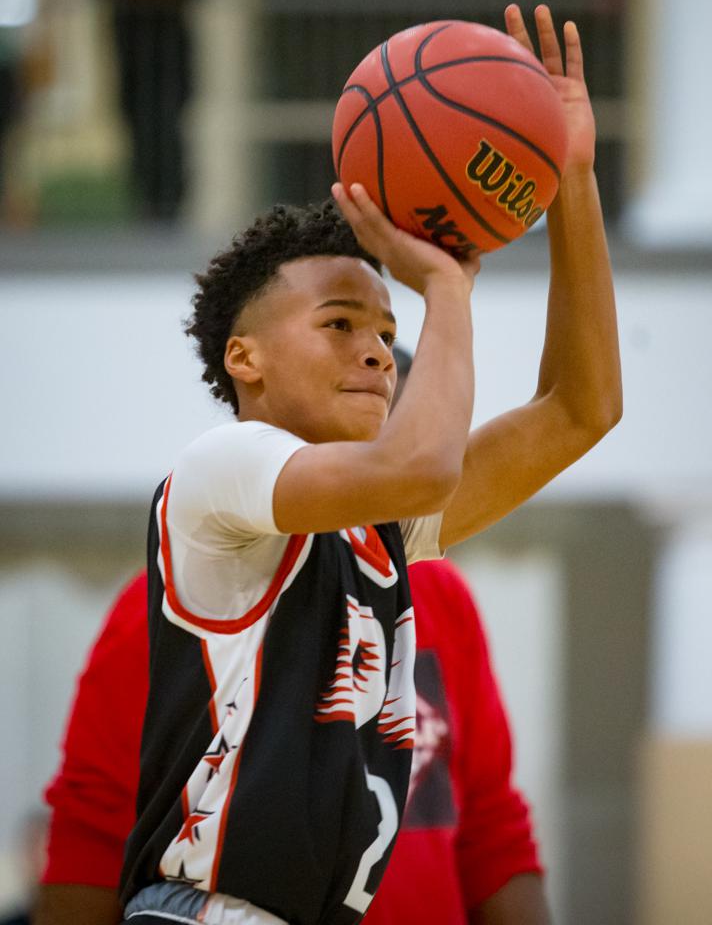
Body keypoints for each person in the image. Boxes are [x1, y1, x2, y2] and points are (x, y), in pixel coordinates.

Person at [46, 5, 621, 924]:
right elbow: (425, 465)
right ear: (246, 359)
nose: (379, 354)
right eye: (341, 326)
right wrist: (442, 287)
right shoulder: (221, 472)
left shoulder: (375, 521)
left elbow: (582, 409)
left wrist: (574, 180)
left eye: (387, 333)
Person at [37, 350, 551, 925]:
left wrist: (449, 287)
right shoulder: (159, 605)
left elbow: (491, 825)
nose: (397, 473)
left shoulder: (442, 596)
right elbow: (91, 833)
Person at [94, 0, 202, 221]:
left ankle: (171, 207)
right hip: (131, 47)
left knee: (170, 124)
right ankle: (146, 206)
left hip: (170, 46)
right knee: (137, 126)